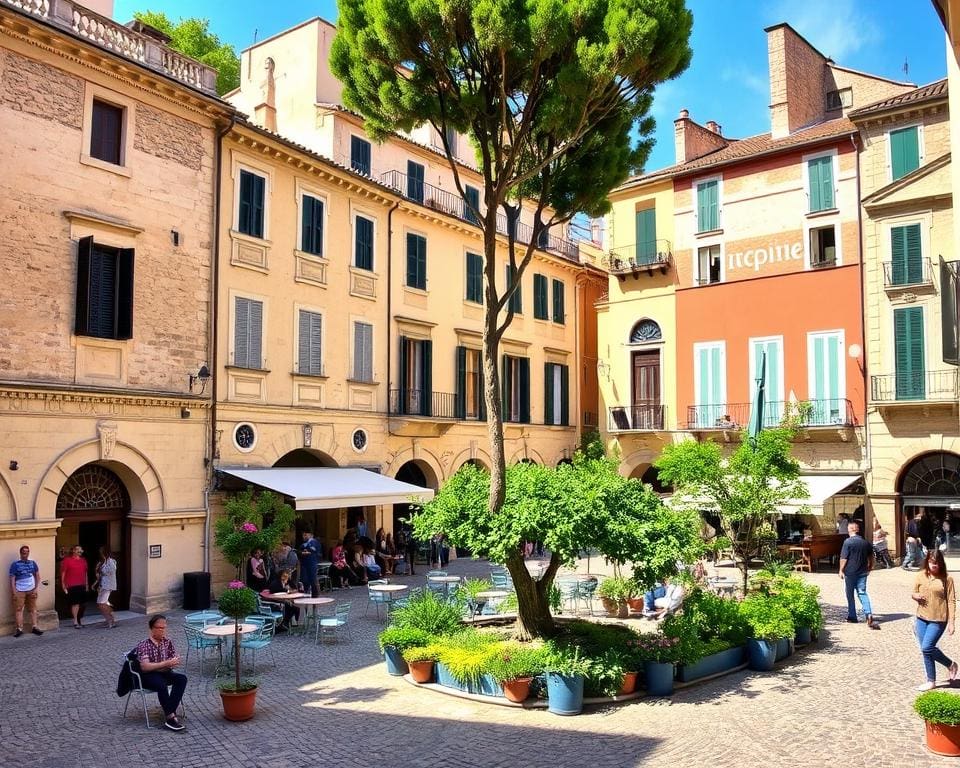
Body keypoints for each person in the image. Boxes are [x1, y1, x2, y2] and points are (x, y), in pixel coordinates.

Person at [912, 549, 958, 691]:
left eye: (937, 563)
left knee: (927, 647)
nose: (934, 565)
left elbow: (951, 601)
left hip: (938, 619)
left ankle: (950, 664)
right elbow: (914, 592)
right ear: (927, 561)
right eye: (932, 562)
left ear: (941, 563)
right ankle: (931, 680)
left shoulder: (947, 578)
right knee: (926, 650)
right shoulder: (920, 575)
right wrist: (916, 596)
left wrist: (951, 623)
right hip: (921, 617)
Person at [133, 614, 187, 731]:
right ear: (152, 628)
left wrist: (173, 661)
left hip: (165, 672)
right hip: (147, 676)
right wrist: (165, 664)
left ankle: (169, 711)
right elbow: (145, 667)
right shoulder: (144, 645)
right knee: (161, 684)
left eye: (164, 627)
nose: (163, 631)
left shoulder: (167, 642)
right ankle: (170, 718)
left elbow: (174, 659)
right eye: (160, 628)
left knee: (182, 679)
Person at [839, 520, 879, 629]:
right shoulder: (865, 542)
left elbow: (844, 558)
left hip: (850, 572)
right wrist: (870, 567)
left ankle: (852, 616)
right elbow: (871, 557)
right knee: (862, 593)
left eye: (848, 528)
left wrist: (841, 570)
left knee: (850, 594)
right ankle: (869, 614)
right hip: (863, 572)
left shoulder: (848, 542)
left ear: (851, 529)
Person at [9, 544, 43, 637]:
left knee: (33, 609)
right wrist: (14, 591)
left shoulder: (33, 563)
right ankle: (19, 629)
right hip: (19, 590)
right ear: (20, 553)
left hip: (31, 589)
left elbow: (38, 576)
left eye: (27, 552)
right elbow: (12, 578)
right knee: (18, 609)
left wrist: (36, 588)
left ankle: (35, 627)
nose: (25, 554)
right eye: (24, 552)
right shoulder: (15, 564)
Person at [60, 545, 89, 629]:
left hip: (82, 584)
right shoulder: (67, 560)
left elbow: (85, 573)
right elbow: (63, 573)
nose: (80, 551)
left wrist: (87, 584)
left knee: (82, 604)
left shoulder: (83, 560)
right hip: (72, 585)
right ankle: (75, 621)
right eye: (78, 550)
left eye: (81, 549)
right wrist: (63, 585)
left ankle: (79, 620)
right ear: (73, 551)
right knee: (75, 603)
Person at [93, 545, 118, 628]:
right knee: (102, 603)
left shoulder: (111, 561)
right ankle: (110, 619)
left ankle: (111, 620)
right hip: (103, 585)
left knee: (101, 603)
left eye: (101, 551)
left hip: (108, 585)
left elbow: (111, 571)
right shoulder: (104, 561)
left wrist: (101, 571)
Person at [300, 530, 321, 597]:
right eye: (303, 535)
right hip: (305, 563)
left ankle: (315, 594)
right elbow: (301, 549)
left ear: (311, 535)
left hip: (312, 563)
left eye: (305, 535)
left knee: (312, 578)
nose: (304, 537)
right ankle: (306, 592)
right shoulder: (304, 543)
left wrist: (307, 549)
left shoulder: (314, 542)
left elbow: (313, 549)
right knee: (305, 578)